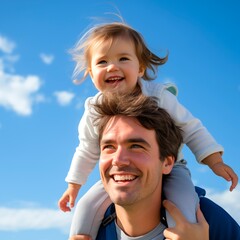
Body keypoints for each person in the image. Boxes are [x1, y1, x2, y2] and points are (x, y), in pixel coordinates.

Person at [58, 21, 238, 238]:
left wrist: (214, 160)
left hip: (174, 168)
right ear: (90, 72)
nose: (112, 67)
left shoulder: (159, 97)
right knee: (86, 207)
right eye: (102, 61)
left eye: (123, 58)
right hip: (121, 178)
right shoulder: (93, 111)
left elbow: (191, 127)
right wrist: (74, 186)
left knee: (184, 206)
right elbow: (86, 149)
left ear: (140, 68)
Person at [69, 93, 240, 240]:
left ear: (167, 162)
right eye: (109, 147)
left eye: (136, 146)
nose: (118, 160)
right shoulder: (91, 232)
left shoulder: (207, 222)